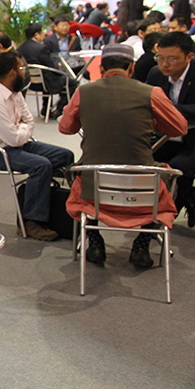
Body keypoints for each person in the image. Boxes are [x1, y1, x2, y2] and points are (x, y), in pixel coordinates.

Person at [59, 43, 187, 267]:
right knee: (167, 176)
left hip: (93, 191)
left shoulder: (83, 92)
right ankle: (141, 246)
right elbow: (180, 128)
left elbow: (65, 128)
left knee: (77, 173)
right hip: (143, 192)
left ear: (102, 68)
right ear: (132, 67)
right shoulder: (151, 93)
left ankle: (95, 242)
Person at [0, 51, 74, 241]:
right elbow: (14, 139)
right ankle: (31, 221)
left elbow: (29, 121)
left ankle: (63, 207)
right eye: (21, 68)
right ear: (12, 72)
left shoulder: (14, 92)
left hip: (16, 145)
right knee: (41, 165)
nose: (25, 72)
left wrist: (21, 128)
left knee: (65, 155)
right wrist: (22, 128)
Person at [146, 32, 195, 226]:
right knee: (141, 161)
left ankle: (167, 216)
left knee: (180, 168)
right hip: (162, 138)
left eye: (172, 59)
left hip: (191, 140)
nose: (165, 64)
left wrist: (169, 109)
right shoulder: (155, 74)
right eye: (160, 58)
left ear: (189, 56)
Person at [18, 22, 75, 119]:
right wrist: (60, 69)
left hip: (29, 82)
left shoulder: (20, 48)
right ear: (36, 34)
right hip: (45, 83)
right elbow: (51, 66)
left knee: (49, 76)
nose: (44, 35)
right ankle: (59, 109)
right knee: (72, 82)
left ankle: (46, 108)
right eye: (42, 32)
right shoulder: (41, 48)